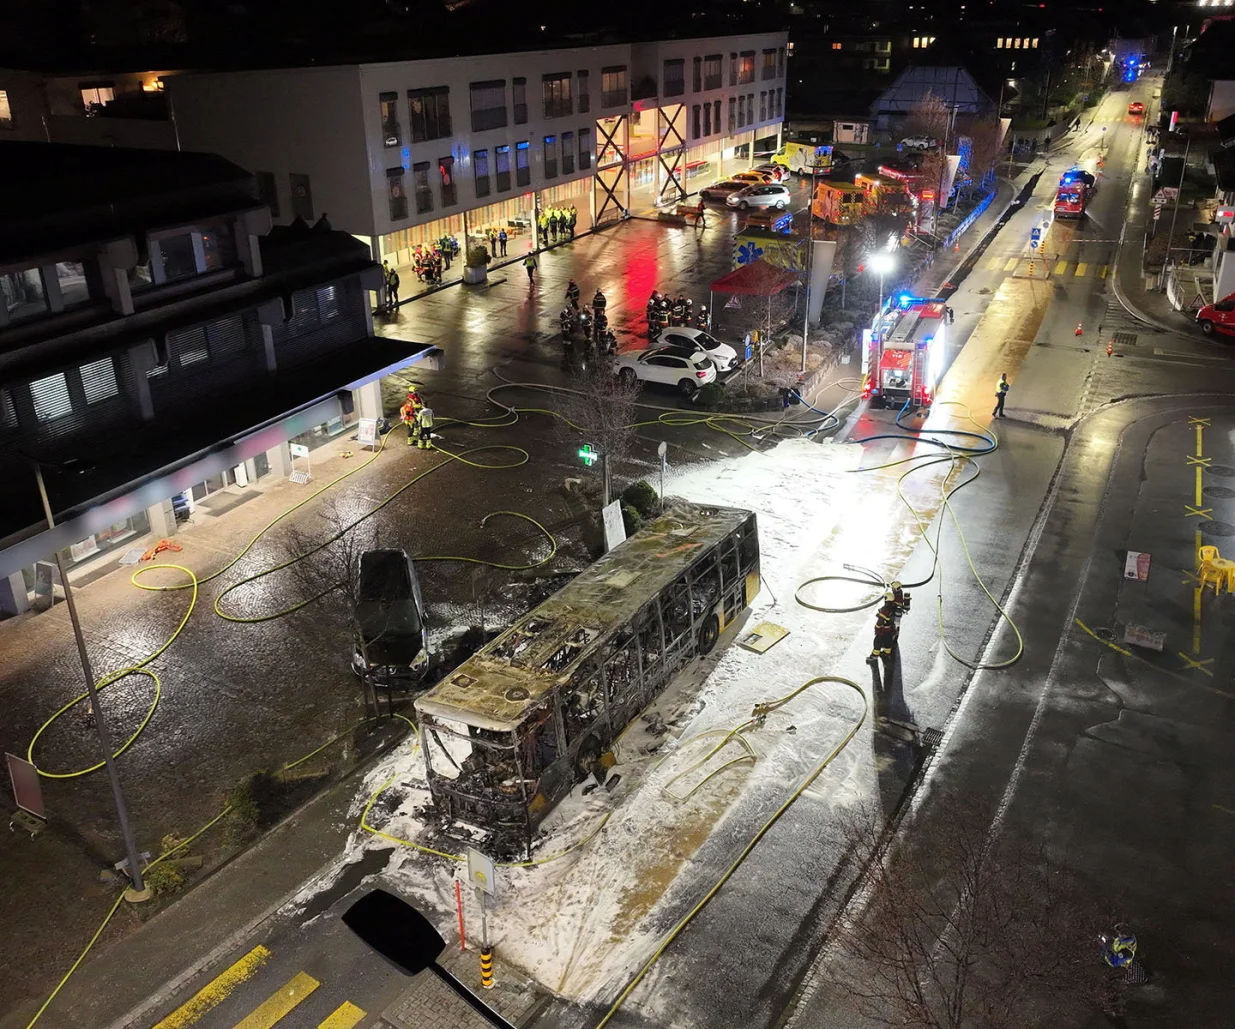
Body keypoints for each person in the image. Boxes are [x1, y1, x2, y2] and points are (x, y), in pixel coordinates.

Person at [867, 594, 899, 664]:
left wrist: (877, 627)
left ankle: (874, 656)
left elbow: (881, 620)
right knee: (888, 641)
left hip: (882, 630)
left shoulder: (885, 608)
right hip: (890, 629)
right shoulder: (893, 606)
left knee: (877, 642)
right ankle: (887, 653)